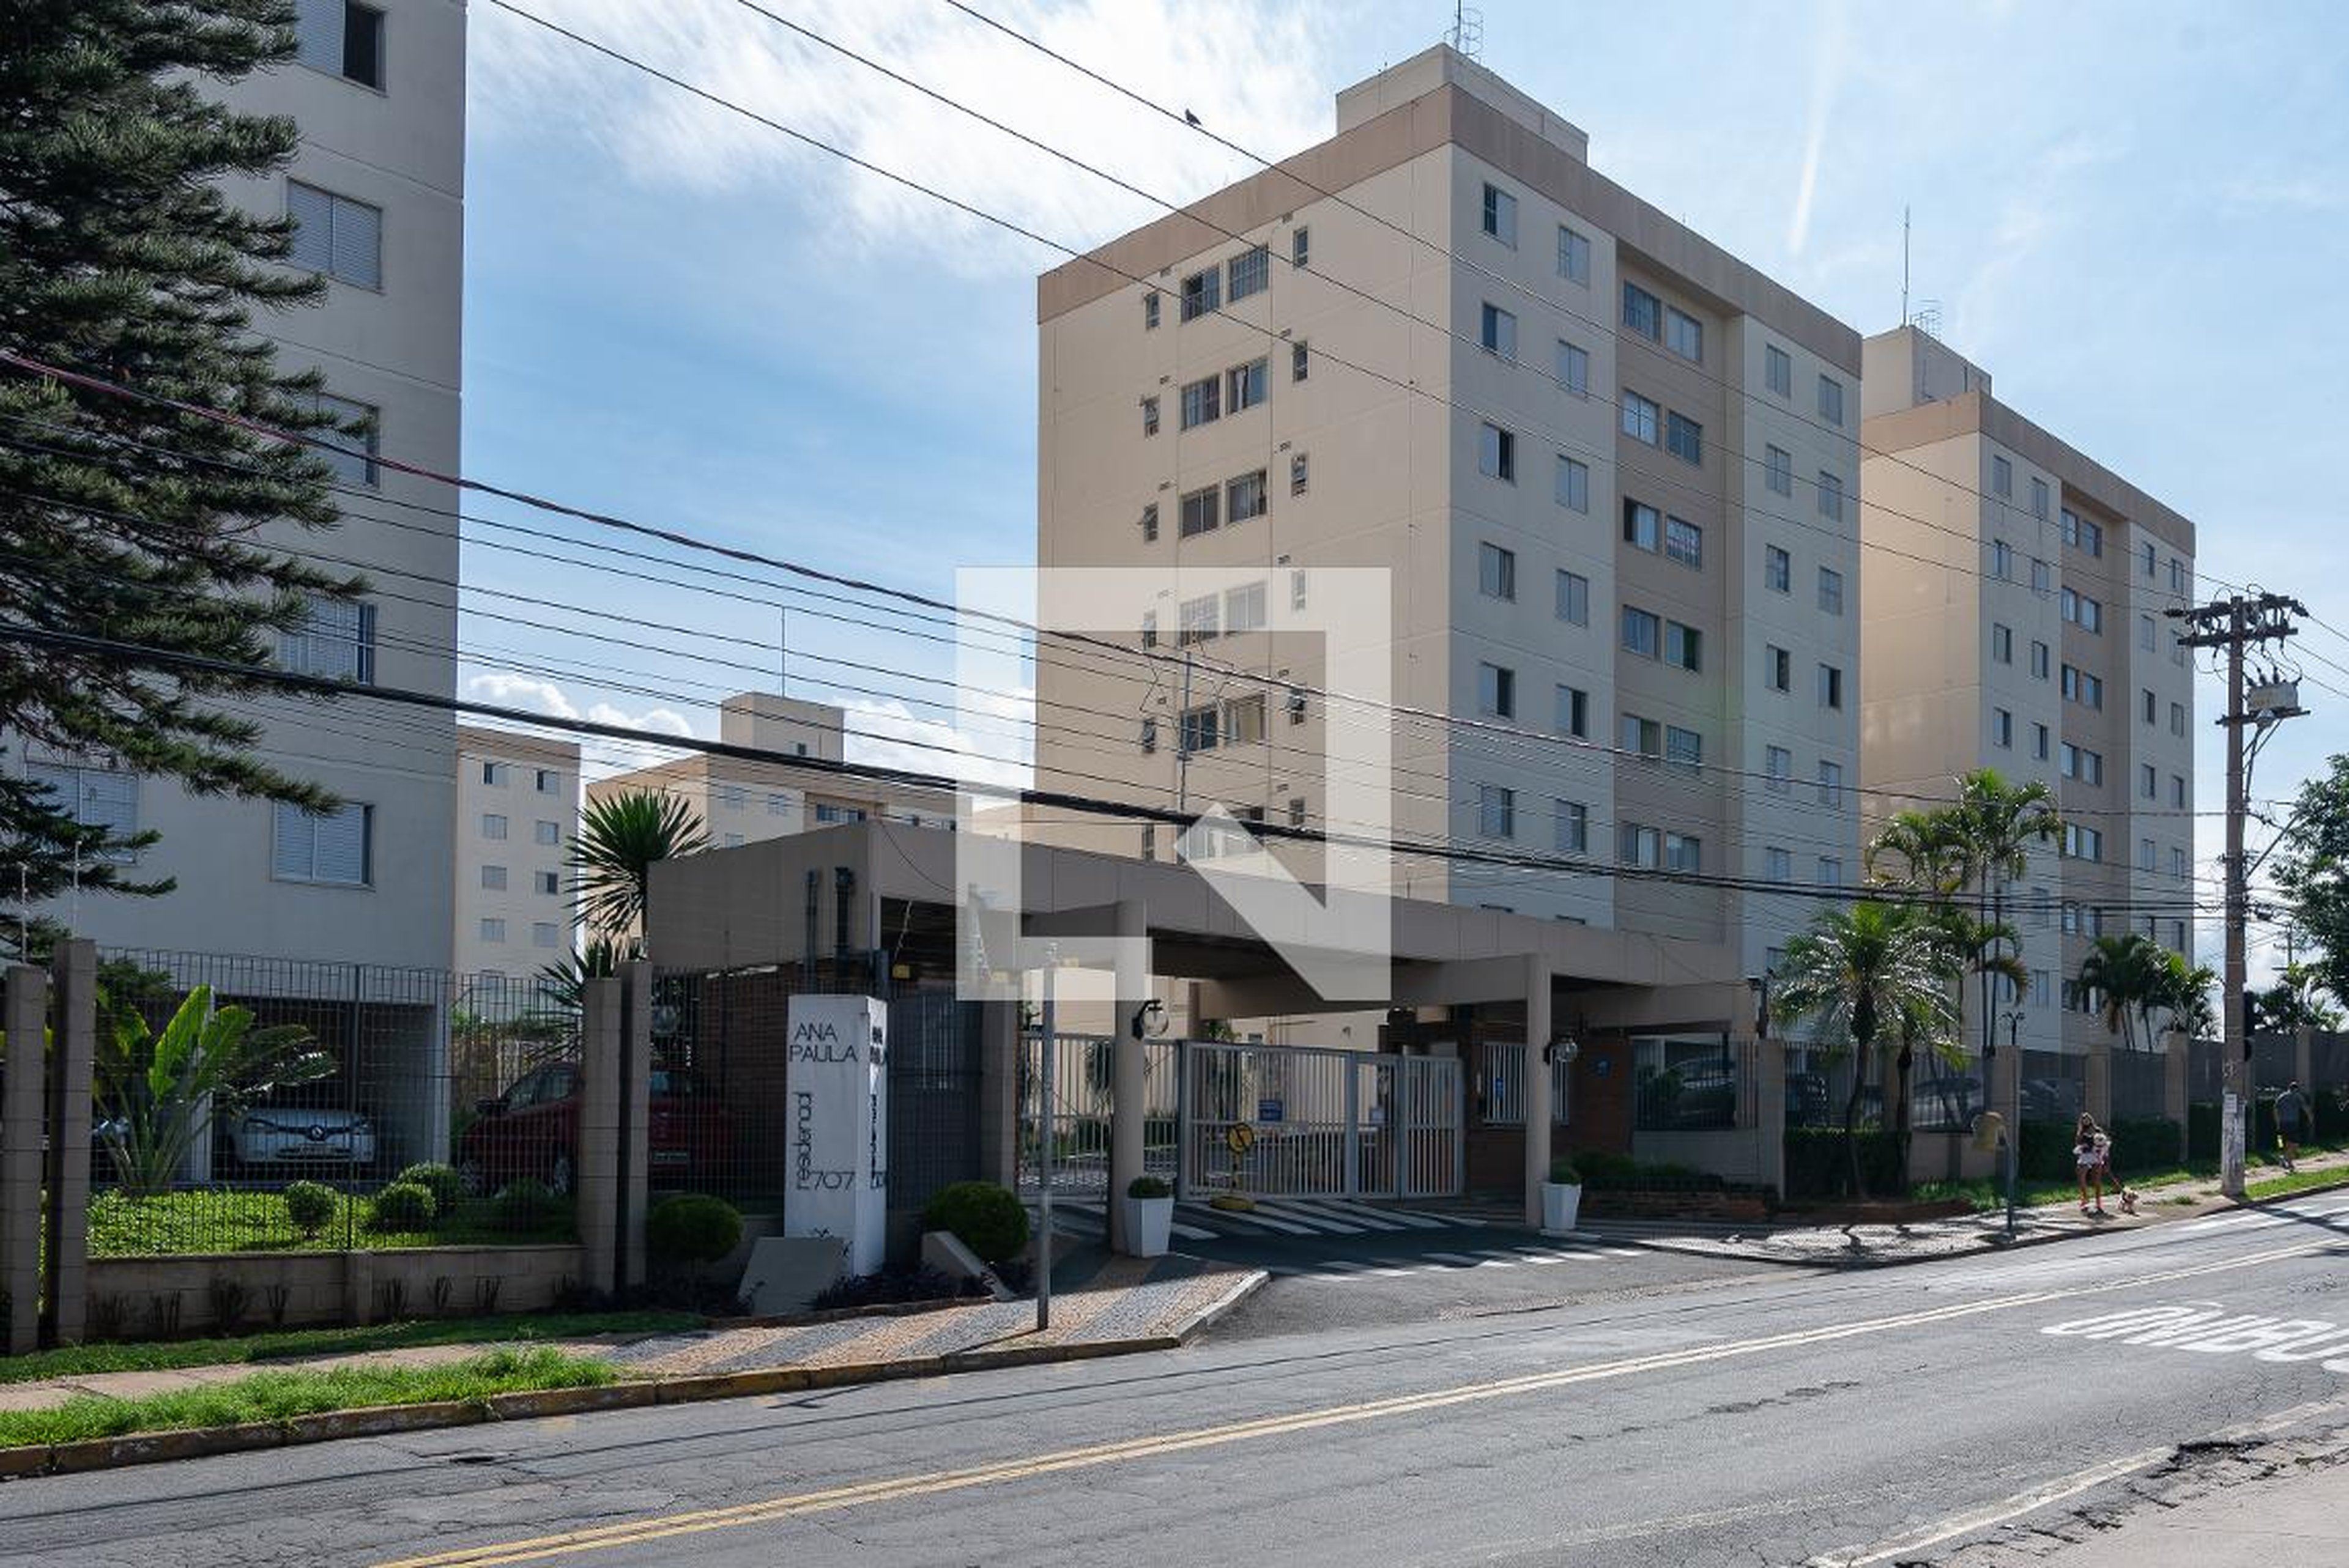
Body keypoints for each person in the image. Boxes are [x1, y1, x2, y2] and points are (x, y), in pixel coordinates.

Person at [2074, 1112, 2112, 1215]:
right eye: (2083, 1120)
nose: (2086, 1121)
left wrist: (2106, 1162)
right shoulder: (2081, 1132)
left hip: (2096, 1157)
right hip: (2085, 1157)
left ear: (2091, 1119)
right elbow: (2077, 1145)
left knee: (2097, 1181)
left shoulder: (2098, 1130)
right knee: (2080, 1176)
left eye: (2087, 1119)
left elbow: (2105, 1146)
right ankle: (2085, 1198)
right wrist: (2081, 1148)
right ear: (2082, 1122)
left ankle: (2098, 1203)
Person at [2275, 1081, 2311, 1172]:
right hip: (2292, 1123)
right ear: (2296, 1089)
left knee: (2285, 1143)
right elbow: (2305, 1108)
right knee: (2295, 1144)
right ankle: (2284, 1158)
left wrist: (2278, 1122)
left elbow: (2275, 1109)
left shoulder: (2281, 1097)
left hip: (2282, 1124)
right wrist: (2310, 1118)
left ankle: (2289, 1163)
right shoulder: (2297, 1096)